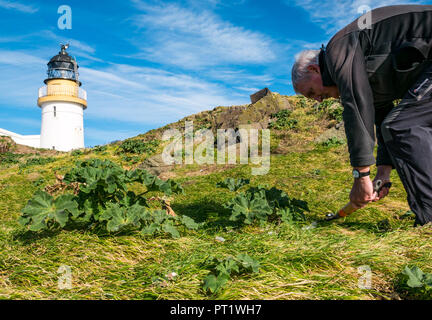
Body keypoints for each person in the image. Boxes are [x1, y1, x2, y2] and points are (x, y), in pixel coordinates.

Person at [291, 5, 432, 226]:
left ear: (314, 70)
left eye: (311, 93)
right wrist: (383, 172)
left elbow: (356, 104)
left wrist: (361, 176)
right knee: (398, 124)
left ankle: (430, 218)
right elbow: (382, 118)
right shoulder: (363, 65)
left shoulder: (338, 50)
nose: (318, 100)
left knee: (404, 125)